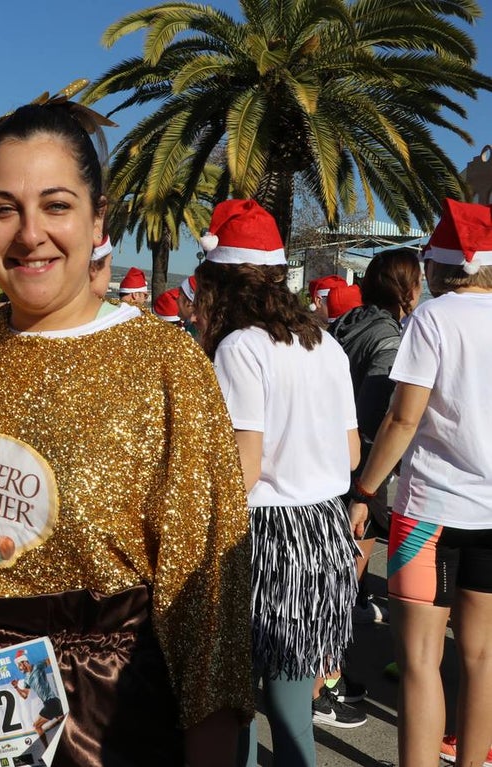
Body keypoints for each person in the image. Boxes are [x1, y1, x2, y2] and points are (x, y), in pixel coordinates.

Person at [0, 98, 253, 767]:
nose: (29, 233)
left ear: (98, 218)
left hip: (107, 725)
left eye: (56, 205)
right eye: (3, 208)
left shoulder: (164, 365)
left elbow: (208, 610)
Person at [192, 198, 362, 766]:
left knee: (235, 700)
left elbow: (246, 462)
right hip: (323, 532)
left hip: (264, 538)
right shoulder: (325, 344)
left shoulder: (241, 348)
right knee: (292, 715)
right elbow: (352, 449)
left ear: (221, 282)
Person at [348, 198, 492, 767]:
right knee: (481, 657)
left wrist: (364, 491)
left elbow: (404, 417)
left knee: (420, 660)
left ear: (438, 266)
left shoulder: (434, 318)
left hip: (428, 512)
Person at [330, 249, 423, 622]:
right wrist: (366, 491)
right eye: (418, 280)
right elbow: (374, 416)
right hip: (357, 470)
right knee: (342, 583)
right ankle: (330, 677)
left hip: (327, 457)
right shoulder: (389, 338)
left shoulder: (346, 322)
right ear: (406, 289)